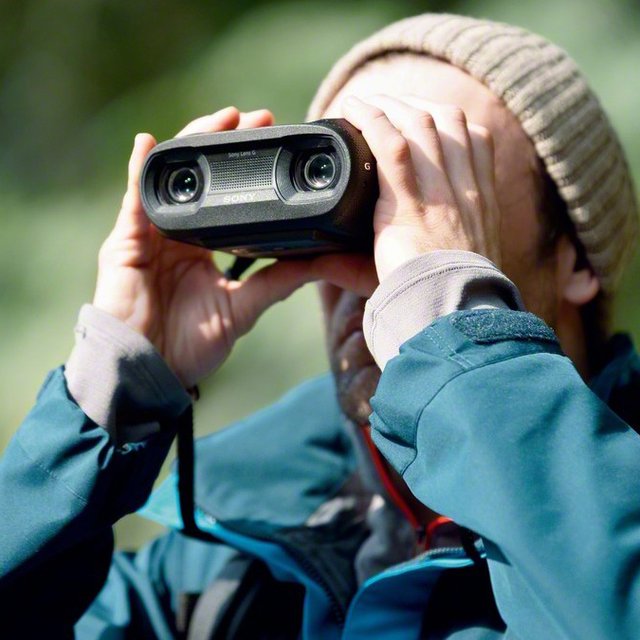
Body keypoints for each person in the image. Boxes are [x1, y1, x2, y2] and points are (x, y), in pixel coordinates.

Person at [1, 12, 639, 639]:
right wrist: (106, 402)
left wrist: (456, 327)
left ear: (576, 256)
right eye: (353, 199)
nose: (384, 262)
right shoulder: (233, 555)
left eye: (433, 192)